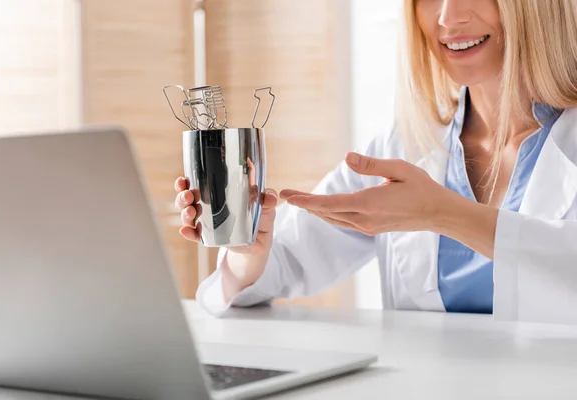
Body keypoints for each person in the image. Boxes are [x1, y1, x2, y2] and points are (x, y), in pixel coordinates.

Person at [175, 0, 577, 324]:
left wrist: (444, 214)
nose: (449, 17)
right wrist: (250, 249)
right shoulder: (405, 144)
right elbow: (280, 264)